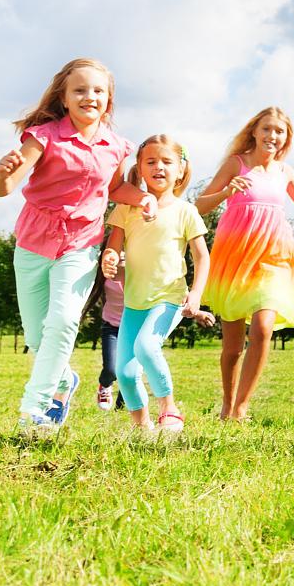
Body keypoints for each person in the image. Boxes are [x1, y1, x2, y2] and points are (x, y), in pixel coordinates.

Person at [0, 57, 136, 436]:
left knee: (64, 322)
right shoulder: (43, 137)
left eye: (99, 91)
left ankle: (33, 411)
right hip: (34, 242)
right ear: (65, 98)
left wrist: (145, 199)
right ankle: (63, 381)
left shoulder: (116, 146)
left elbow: (115, 188)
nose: (90, 97)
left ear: (109, 99)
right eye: (80, 90)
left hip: (81, 243)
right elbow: (5, 189)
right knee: (38, 337)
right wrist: (2, 173)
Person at [196, 107, 294, 421]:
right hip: (236, 254)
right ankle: (227, 403)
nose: (272, 136)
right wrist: (227, 191)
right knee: (232, 347)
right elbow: (199, 206)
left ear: (285, 139)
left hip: (274, 255)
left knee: (264, 327)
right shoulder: (236, 164)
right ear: (254, 131)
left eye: (279, 132)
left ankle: (241, 408)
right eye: (267, 129)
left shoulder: (284, 171)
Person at [100, 135, 213, 438]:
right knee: (124, 372)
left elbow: (203, 258)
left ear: (180, 170)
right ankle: (142, 427)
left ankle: (170, 408)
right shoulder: (126, 208)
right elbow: (112, 247)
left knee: (147, 347)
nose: (158, 167)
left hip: (170, 298)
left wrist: (196, 295)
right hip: (134, 301)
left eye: (166, 162)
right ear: (139, 168)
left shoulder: (185, 211)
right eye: (150, 161)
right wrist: (109, 259)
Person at [93, 260, 123, 411]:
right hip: (111, 326)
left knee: (129, 371)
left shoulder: (140, 272)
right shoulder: (105, 271)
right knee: (111, 369)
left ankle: (122, 406)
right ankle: (105, 385)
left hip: (135, 327)